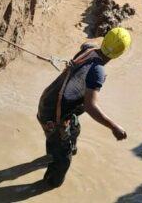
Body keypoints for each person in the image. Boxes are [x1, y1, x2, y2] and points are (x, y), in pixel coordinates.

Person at [36, 27, 131, 188]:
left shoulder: (89, 49)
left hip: (50, 98)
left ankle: (58, 148)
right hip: (53, 114)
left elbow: (85, 43)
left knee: (74, 129)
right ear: (119, 55)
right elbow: (90, 106)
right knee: (63, 160)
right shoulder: (97, 71)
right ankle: (50, 182)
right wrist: (114, 127)